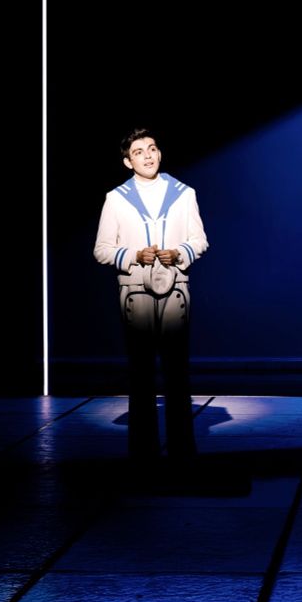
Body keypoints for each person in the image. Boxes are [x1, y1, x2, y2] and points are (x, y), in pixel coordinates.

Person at [94, 129, 208, 462]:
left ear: (159, 153)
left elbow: (200, 240)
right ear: (128, 162)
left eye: (152, 148)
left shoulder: (183, 193)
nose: (148, 155)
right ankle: (142, 455)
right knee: (141, 371)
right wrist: (133, 255)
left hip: (175, 290)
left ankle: (182, 454)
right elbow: (102, 249)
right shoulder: (116, 198)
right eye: (139, 151)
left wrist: (179, 252)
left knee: (176, 371)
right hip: (135, 292)